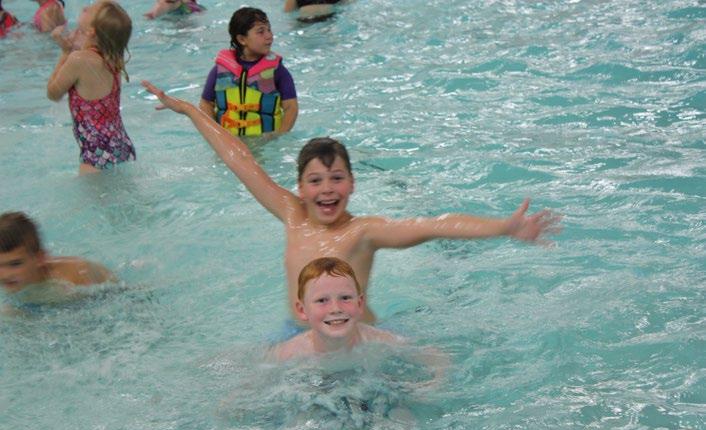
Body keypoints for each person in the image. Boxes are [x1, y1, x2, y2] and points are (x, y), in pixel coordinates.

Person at [142, 81, 561, 326]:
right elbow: (240, 159)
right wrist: (191, 112)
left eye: (337, 178)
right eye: (316, 181)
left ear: (352, 184)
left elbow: (435, 224)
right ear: (300, 187)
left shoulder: (363, 232)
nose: (327, 189)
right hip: (301, 334)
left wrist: (504, 227)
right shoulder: (291, 214)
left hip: (359, 340)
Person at [47, 1, 136, 174]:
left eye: (89, 10)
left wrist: (65, 53)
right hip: (122, 147)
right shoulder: (113, 59)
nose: (84, 8)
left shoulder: (78, 60)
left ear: (92, 31)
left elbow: (53, 93)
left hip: (95, 156)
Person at [271, 257, 401, 361]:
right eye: (322, 300)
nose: (336, 308)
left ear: (360, 303)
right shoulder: (287, 355)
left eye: (345, 298)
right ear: (302, 310)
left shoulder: (384, 343)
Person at [199, 7, 298, 136]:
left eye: (269, 30)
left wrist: (278, 136)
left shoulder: (277, 71)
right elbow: (206, 103)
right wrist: (216, 134)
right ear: (242, 39)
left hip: (266, 142)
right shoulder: (220, 70)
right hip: (229, 142)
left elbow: (291, 107)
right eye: (261, 32)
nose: (269, 36)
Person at [0, 212, 115, 306]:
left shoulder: (74, 276)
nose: (5, 275)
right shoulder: (15, 283)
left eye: (15, 264)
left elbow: (113, 296)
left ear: (40, 258)